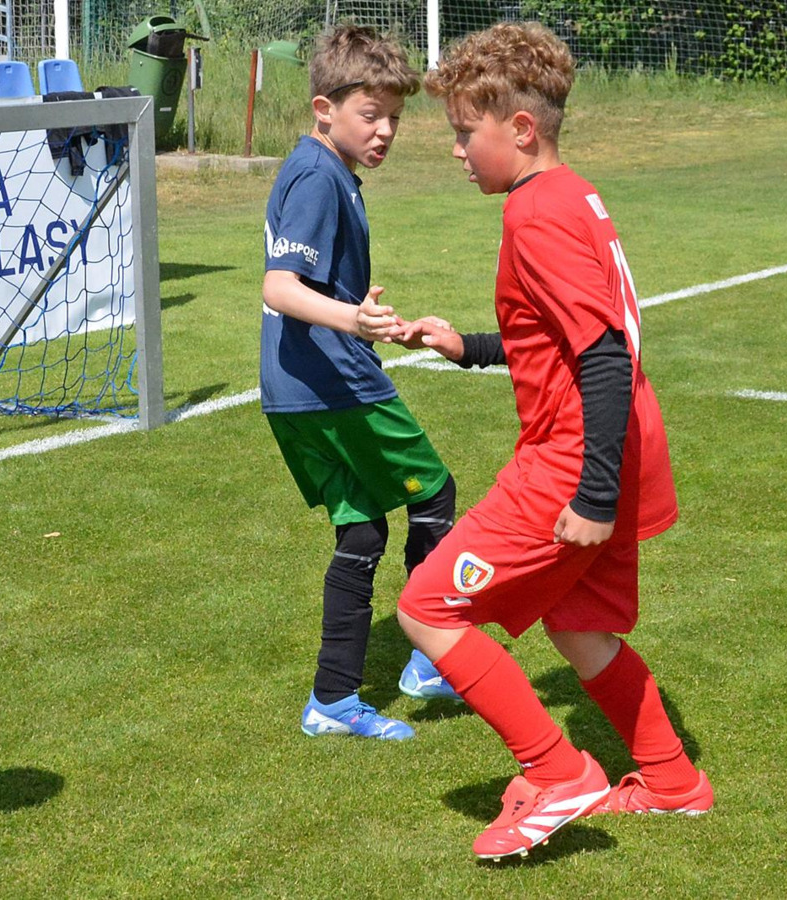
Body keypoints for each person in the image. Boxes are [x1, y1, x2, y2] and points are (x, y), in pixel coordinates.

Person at [394, 21, 713, 858]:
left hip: (574, 458)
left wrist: (592, 493)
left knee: (427, 608)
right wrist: (471, 347)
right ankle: (673, 781)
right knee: (578, 626)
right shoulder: (575, 194)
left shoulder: (533, 214)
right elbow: (566, 336)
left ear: (521, 128)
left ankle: (557, 771)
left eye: (466, 132)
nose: (457, 151)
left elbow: (600, 353)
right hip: (623, 442)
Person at [260, 24, 461, 741]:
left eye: (395, 118)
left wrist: (366, 318)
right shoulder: (318, 176)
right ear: (325, 108)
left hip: (293, 388)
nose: (385, 132)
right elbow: (280, 287)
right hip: (334, 384)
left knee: (363, 528)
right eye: (370, 115)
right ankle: (432, 658)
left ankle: (333, 701)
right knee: (434, 495)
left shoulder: (321, 168)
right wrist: (353, 320)